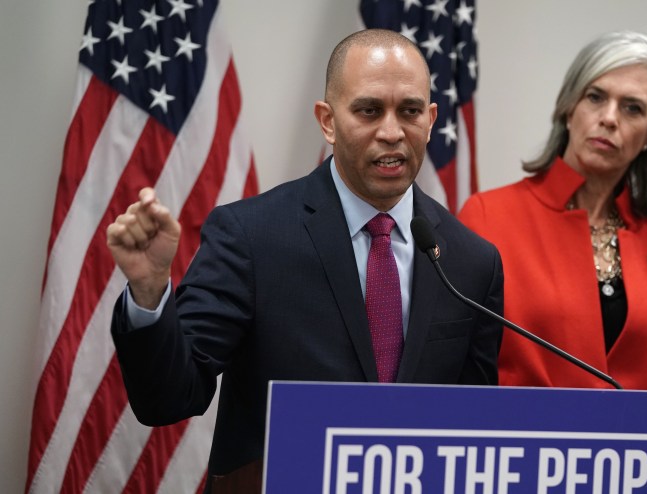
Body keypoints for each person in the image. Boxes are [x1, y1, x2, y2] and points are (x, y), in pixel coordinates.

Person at [106, 29, 503, 487]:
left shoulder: (473, 262)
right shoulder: (251, 236)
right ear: (328, 120)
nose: (392, 132)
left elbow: (472, 431)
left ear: (431, 119)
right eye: (369, 110)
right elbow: (170, 399)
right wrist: (150, 290)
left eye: (410, 111)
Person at [458, 31, 647, 391]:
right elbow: (458, 371)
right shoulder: (488, 216)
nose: (609, 118)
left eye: (632, 107)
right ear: (568, 107)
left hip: (636, 447)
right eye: (596, 97)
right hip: (520, 441)